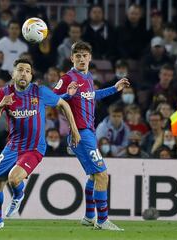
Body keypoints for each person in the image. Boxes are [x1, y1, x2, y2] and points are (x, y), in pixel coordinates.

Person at [0, 58, 80, 229]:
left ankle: (18, 195)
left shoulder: (39, 91)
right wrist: (1, 105)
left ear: (31, 75)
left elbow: (64, 103)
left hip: (34, 147)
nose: (24, 73)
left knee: (14, 179)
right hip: (13, 146)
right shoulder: (5, 92)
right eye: (20, 70)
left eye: (28, 71)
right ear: (13, 74)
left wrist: (74, 129)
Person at [53, 41, 129, 230]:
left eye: (84, 55)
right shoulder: (67, 78)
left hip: (89, 132)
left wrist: (114, 88)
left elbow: (92, 95)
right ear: (71, 58)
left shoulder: (87, 77)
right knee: (102, 175)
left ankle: (89, 217)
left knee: (94, 177)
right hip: (80, 133)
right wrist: (68, 96)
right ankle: (102, 220)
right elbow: (52, 99)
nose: (81, 58)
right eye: (77, 55)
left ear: (90, 58)